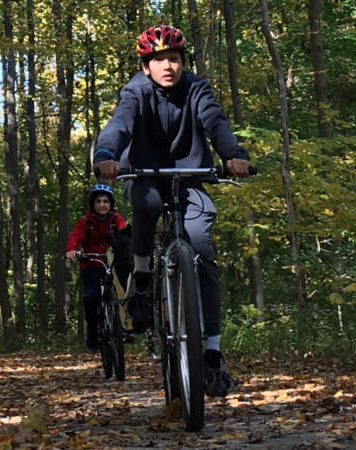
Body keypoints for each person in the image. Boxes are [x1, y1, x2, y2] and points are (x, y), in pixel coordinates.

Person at [92, 25, 251, 397]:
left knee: (200, 247)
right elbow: (120, 124)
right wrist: (106, 155)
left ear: (183, 63)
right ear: (146, 66)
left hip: (191, 176)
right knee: (145, 204)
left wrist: (233, 155)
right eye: (159, 59)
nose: (168, 66)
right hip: (144, 173)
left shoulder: (197, 89)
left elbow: (216, 123)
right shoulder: (136, 90)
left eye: (174, 59)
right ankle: (144, 274)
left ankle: (211, 353)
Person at [66, 184, 128, 351]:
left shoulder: (117, 221)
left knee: (125, 294)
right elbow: (75, 235)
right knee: (91, 298)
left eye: (106, 201)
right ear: (93, 204)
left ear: (111, 204)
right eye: (98, 201)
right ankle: (93, 331)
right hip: (91, 264)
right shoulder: (86, 221)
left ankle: (125, 327)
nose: (102, 204)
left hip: (113, 265)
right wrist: (72, 250)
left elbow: (125, 235)